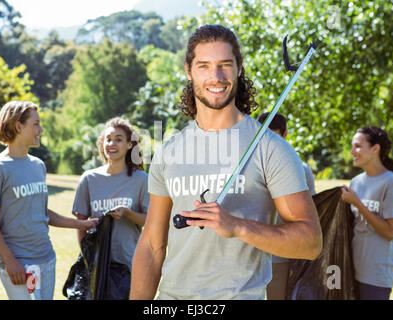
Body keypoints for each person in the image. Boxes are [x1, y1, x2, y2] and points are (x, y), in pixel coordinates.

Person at [130, 24, 322, 300]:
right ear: (189, 70)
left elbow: (310, 242)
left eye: (225, 65)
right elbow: (151, 244)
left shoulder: (271, 148)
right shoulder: (169, 151)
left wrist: (238, 226)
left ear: (239, 68)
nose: (216, 77)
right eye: (204, 66)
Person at [0, 100, 98, 300]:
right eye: (36, 124)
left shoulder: (38, 166)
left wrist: (82, 223)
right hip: (18, 262)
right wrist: (10, 261)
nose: (40, 129)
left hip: (46, 258)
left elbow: (42, 212)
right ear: (18, 126)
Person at [72, 117, 149, 299]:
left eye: (118, 139)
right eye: (108, 139)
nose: (112, 143)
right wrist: (88, 259)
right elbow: (80, 223)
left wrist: (128, 212)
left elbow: (149, 220)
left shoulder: (141, 180)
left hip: (129, 264)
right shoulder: (89, 179)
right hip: (97, 266)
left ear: (130, 145)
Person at [341, 126, 393, 300]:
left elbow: (390, 232)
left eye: (358, 146)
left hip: (377, 273)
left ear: (375, 149)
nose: (352, 151)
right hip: (352, 269)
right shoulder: (356, 182)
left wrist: (357, 203)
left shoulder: (391, 183)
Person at [257, 112, 316, 300]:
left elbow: (309, 214)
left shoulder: (300, 169)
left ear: (285, 135)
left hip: (278, 253)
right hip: (250, 253)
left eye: (273, 135)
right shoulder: (249, 167)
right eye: (263, 135)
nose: (268, 142)